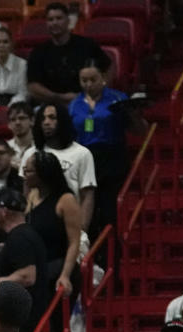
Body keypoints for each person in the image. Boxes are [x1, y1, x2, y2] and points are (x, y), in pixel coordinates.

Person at [70, 59, 148, 235]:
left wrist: (135, 116)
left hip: (113, 160)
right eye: (84, 80)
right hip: (85, 159)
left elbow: (140, 130)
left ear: (103, 78)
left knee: (109, 211)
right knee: (87, 210)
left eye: (93, 79)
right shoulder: (74, 105)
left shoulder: (118, 99)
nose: (88, 84)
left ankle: (111, 253)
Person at [0, 189, 49, 332]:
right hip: (31, 317)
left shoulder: (19, 237)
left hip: (26, 324)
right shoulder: (26, 234)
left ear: (3, 212)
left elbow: (27, 276)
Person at [20, 103, 97, 228]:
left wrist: (82, 228)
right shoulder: (31, 154)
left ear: (63, 121)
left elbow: (87, 195)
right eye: (43, 118)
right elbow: (26, 191)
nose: (46, 122)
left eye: (52, 117)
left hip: (70, 220)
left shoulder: (82, 154)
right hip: (38, 222)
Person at [27, 2, 110, 106]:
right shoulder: (38, 52)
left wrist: (99, 90)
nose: (54, 23)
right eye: (50, 19)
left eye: (59, 18)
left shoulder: (87, 45)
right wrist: (59, 97)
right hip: (50, 106)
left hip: (86, 103)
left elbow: (108, 68)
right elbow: (32, 86)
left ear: (68, 21)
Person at [25, 150, 82, 300]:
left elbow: (74, 242)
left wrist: (65, 275)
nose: (24, 174)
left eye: (29, 170)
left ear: (43, 174)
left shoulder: (66, 200)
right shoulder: (32, 196)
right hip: (37, 267)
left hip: (58, 266)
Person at [7, 102, 34, 167]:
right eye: (13, 119)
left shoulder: (41, 146)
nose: (17, 122)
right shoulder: (5, 148)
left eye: (22, 118)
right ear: (9, 125)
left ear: (32, 120)